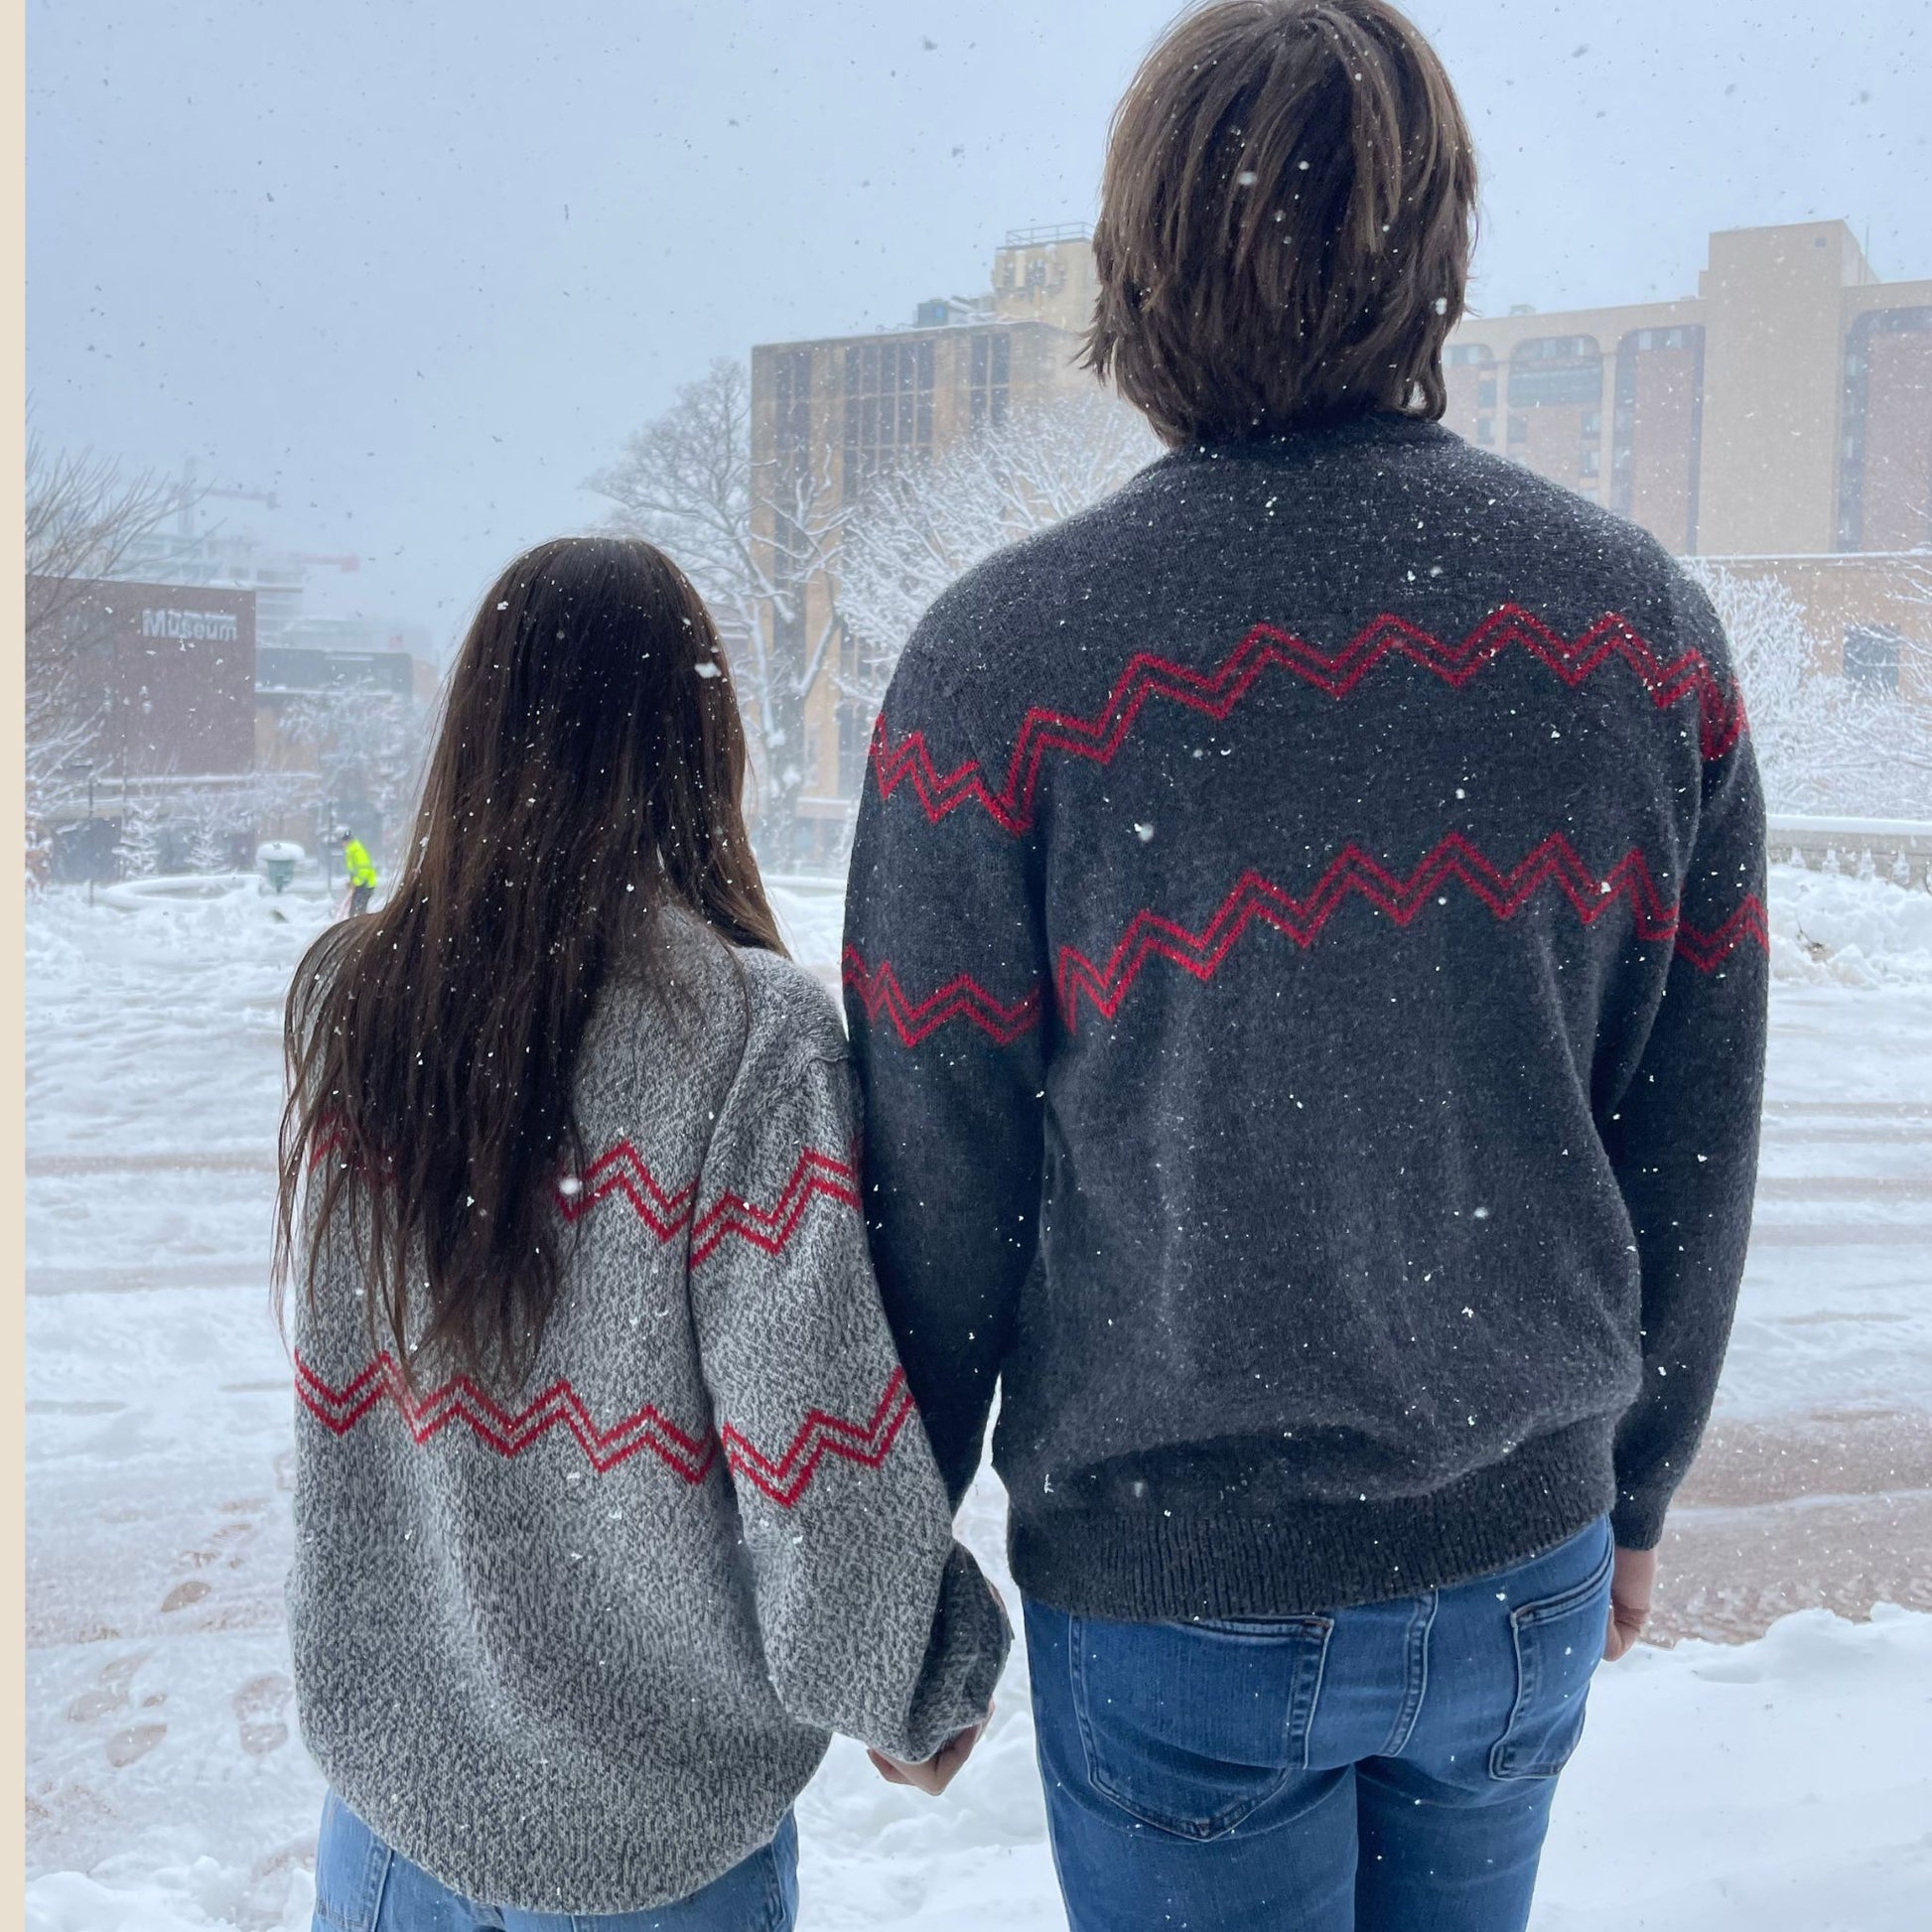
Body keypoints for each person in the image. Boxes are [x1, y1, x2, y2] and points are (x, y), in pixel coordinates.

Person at [843, 3, 1767, 1927]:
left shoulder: (1005, 665)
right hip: (1518, 1553)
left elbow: (938, 1171)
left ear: (1139, 260)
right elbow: (1692, 1116)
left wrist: (884, 1567)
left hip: (1178, 1595)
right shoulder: (1636, 638)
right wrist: (1638, 1481)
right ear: (1437, 246)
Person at [276, 537, 1007, 1930]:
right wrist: (912, 1679)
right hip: (653, 1839)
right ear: (697, 739)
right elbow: (811, 1434)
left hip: (387, 1822)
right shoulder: (746, 1032)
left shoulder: (357, 1002)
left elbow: (358, 1395)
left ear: (474, 735)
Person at [339, 827, 378, 915]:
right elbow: (354, 871)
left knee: (359, 910)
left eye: (343, 842)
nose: (342, 844)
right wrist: (352, 882)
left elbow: (364, 870)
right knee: (354, 910)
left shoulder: (358, 852)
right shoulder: (350, 852)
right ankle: (353, 924)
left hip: (366, 884)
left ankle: (364, 926)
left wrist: (355, 883)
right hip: (360, 884)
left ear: (348, 841)